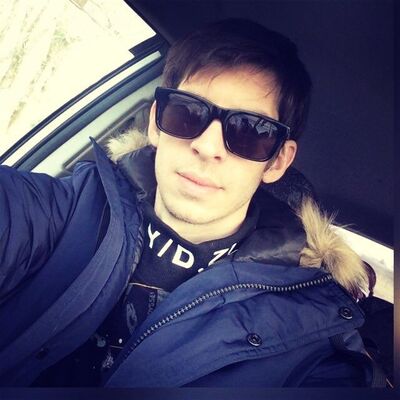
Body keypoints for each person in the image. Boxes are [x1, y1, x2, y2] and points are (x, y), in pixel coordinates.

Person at [0, 18, 382, 387]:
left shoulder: (307, 332)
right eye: (187, 113)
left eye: (250, 131)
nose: (207, 146)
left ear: (277, 161)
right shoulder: (67, 208)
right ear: (156, 122)